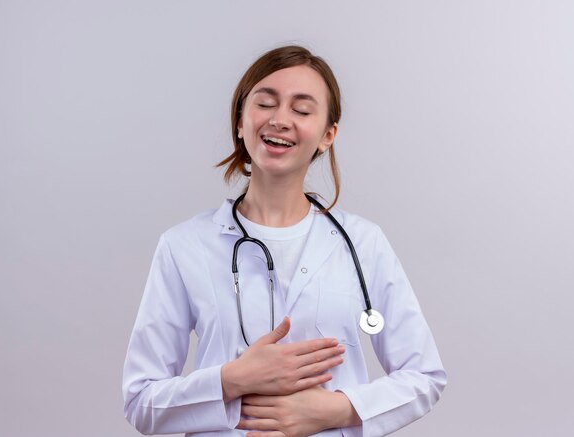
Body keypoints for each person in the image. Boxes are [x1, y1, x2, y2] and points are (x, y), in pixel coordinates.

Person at [122, 45, 446, 437]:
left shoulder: (363, 243)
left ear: (328, 135)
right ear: (240, 121)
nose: (280, 120)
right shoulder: (184, 246)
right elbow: (141, 400)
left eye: (302, 110)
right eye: (265, 103)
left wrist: (336, 410)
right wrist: (230, 380)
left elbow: (424, 376)